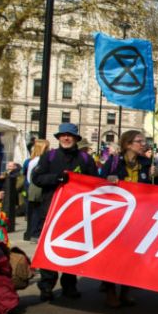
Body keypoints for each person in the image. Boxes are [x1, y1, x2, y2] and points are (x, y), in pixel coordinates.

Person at [32, 123, 100, 301]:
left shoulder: (85, 159)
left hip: (76, 214)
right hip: (50, 211)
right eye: (63, 135)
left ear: (76, 138)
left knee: (72, 250)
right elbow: (37, 178)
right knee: (48, 250)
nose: (66, 138)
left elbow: (95, 183)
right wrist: (56, 178)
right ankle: (46, 286)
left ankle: (69, 286)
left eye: (70, 135)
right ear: (58, 138)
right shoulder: (49, 156)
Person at [100, 130, 153, 308]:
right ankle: (110, 291)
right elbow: (98, 183)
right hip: (117, 216)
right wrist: (109, 180)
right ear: (128, 144)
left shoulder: (146, 163)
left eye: (144, 141)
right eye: (139, 141)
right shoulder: (114, 162)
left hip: (138, 216)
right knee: (112, 255)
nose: (143, 144)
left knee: (132, 256)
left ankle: (126, 291)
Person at [23, 139, 50, 242]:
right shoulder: (39, 161)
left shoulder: (31, 161)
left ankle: (31, 233)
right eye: (47, 148)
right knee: (38, 212)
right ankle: (35, 233)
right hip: (38, 187)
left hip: (32, 187)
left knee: (33, 212)